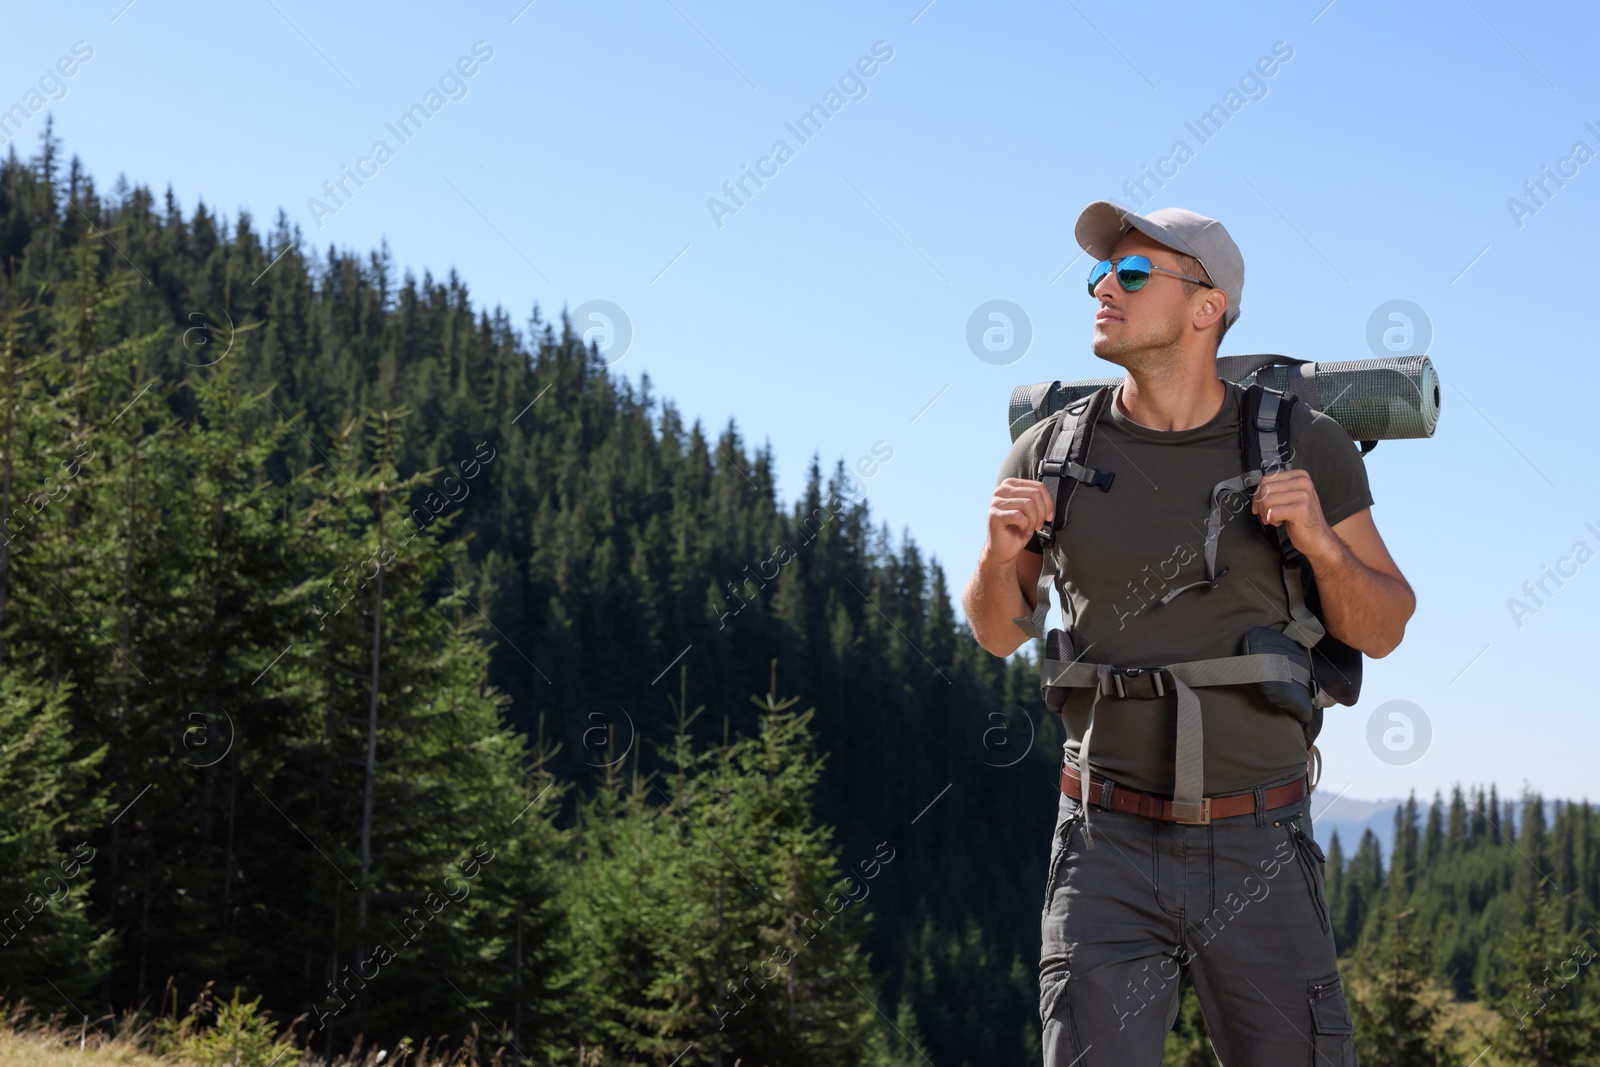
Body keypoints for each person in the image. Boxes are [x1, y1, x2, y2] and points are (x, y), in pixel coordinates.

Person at [961, 201, 1416, 1065]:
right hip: (1101, 847)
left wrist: (1320, 540)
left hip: (1259, 843)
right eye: (1099, 275)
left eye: (1133, 274)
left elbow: (1385, 625)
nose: (1104, 288)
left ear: (1208, 306)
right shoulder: (1047, 453)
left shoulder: (1301, 444)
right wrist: (997, 554)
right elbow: (995, 632)